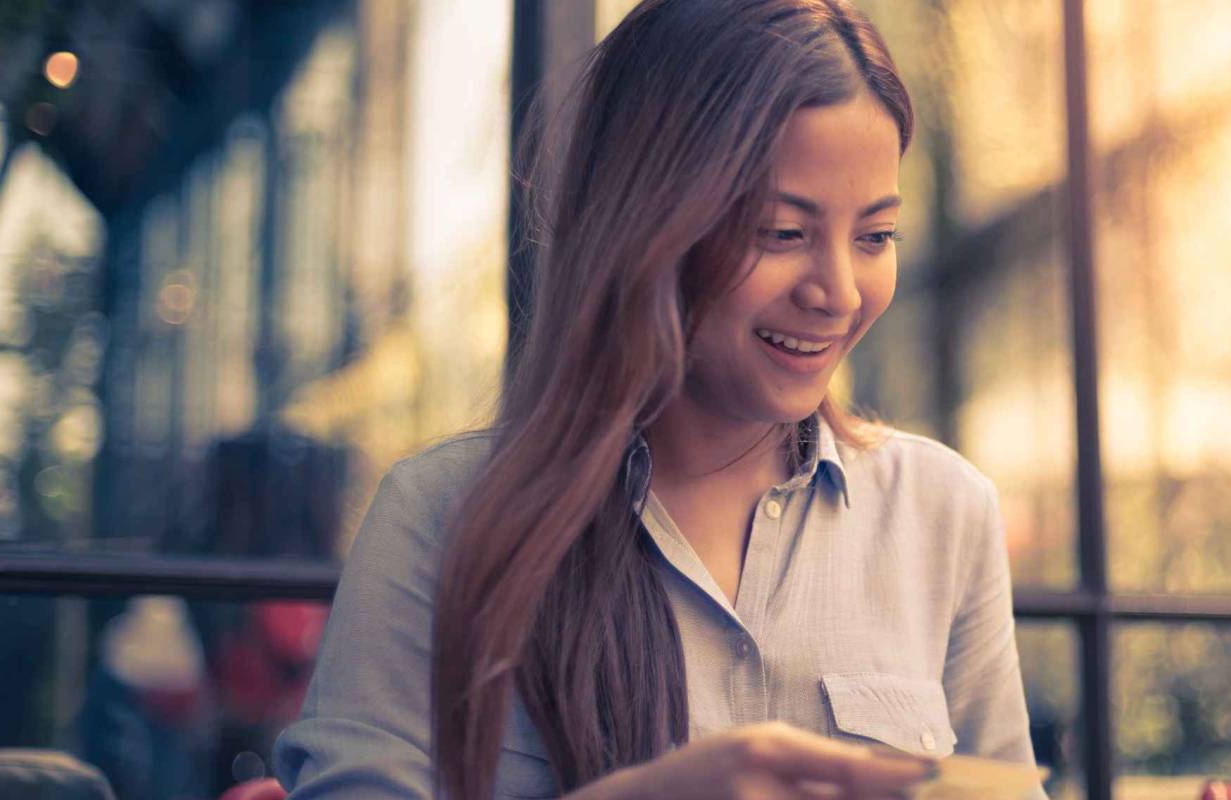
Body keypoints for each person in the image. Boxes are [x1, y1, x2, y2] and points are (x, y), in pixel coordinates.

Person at [272, 0, 1042, 798]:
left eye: (875, 236)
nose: (839, 292)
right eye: (781, 232)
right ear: (648, 221)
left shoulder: (944, 514)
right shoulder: (441, 520)